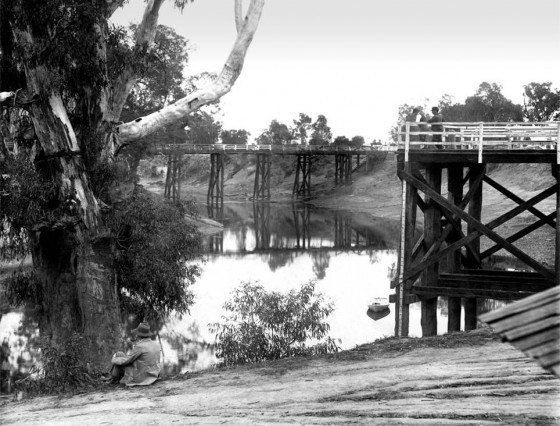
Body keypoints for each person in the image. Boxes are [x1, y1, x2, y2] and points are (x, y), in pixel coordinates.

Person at [107, 322, 161, 386]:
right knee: (121, 355)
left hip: (141, 377)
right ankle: (112, 379)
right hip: (153, 375)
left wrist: (114, 359)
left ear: (138, 335)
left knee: (118, 355)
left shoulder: (140, 346)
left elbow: (126, 360)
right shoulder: (156, 344)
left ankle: (113, 380)